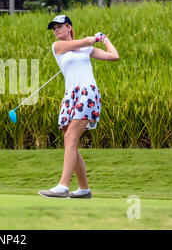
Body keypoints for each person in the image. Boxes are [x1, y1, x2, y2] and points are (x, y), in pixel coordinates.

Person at [38, 15, 119, 199]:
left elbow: (114, 56)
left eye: (59, 26)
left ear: (69, 27)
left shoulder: (87, 49)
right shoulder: (57, 46)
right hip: (70, 96)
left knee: (70, 139)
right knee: (69, 141)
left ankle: (63, 186)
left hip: (87, 93)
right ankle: (84, 189)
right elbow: (79, 43)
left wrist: (104, 39)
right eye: (54, 28)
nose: (56, 30)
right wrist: (91, 39)